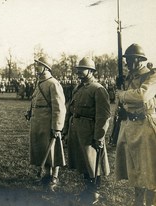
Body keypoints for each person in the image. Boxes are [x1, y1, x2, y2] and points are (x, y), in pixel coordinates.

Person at [62, 56, 111, 204]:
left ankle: (94, 191)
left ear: (90, 71)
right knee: (83, 161)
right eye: (77, 69)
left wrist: (99, 136)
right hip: (77, 127)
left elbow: (103, 116)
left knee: (92, 161)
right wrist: (65, 129)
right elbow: (70, 109)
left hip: (90, 129)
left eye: (81, 69)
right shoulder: (78, 88)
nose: (78, 72)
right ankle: (87, 189)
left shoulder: (98, 89)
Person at [115, 43, 156, 206]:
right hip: (131, 127)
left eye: (130, 60)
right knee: (136, 173)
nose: (127, 63)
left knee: (150, 173)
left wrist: (122, 94)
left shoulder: (151, 76)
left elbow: (143, 95)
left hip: (146, 127)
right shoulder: (129, 77)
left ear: (139, 60)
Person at [28, 57, 66, 191]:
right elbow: (35, 100)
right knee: (42, 150)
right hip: (38, 121)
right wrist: (30, 111)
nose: (35, 67)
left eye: (38, 65)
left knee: (53, 150)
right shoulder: (40, 82)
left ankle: (54, 177)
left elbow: (59, 107)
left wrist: (57, 126)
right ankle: (46, 175)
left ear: (45, 67)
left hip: (49, 123)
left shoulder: (53, 83)